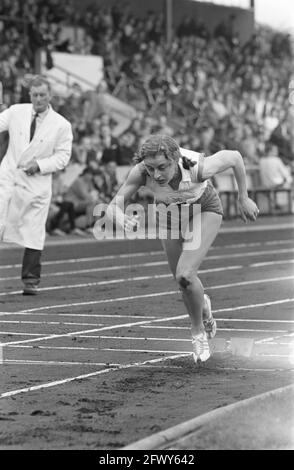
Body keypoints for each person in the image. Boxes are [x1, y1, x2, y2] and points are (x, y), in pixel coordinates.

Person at [106, 134, 259, 364]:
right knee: (183, 283)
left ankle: (198, 333)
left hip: (203, 209)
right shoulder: (140, 172)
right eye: (151, 168)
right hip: (169, 217)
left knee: (185, 273)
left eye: (162, 167)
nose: (156, 175)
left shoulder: (197, 167)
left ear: (175, 158)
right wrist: (121, 218)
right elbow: (112, 207)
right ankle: (204, 307)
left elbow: (235, 157)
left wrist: (243, 197)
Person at [0, 75, 73, 295]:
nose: (38, 99)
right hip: (9, 178)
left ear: (50, 95)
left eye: (42, 95)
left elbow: (63, 157)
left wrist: (40, 165)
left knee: (33, 232)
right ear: (29, 95)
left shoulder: (61, 124)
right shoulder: (15, 111)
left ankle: (30, 280)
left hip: (36, 185)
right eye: (34, 95)